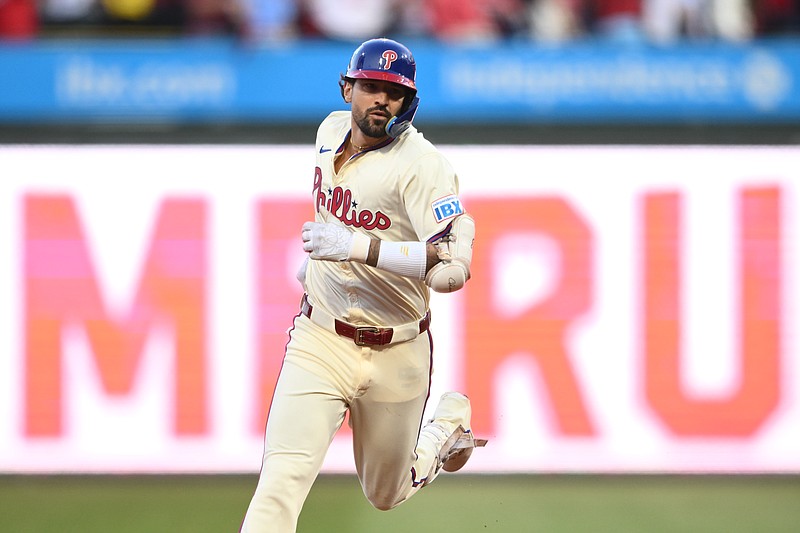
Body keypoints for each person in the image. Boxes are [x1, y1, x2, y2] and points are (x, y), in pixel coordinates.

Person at [240, 37, 485, 532]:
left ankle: (443, 430)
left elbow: (451, 271)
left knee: (385, 493)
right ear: (347, 87)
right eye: (372, 87)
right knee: (281, 480)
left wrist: (357, 248)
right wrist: (323, 269)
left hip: (398, 346)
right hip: (320, 337)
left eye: (394, 93)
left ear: (409, 101)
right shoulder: (329, 131)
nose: (382, 100)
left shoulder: (423, 166)